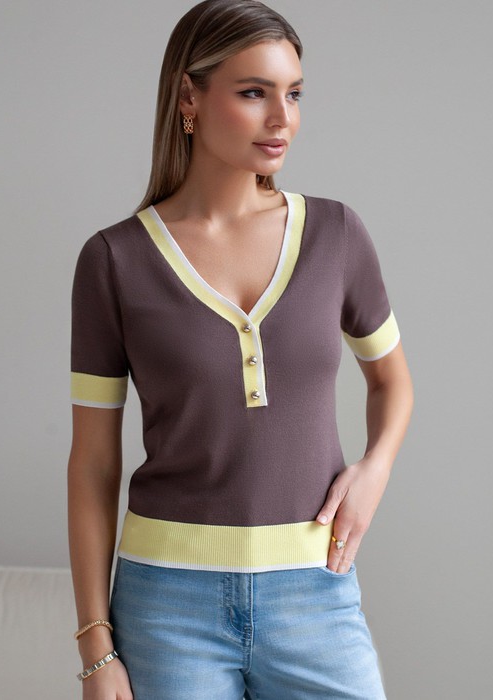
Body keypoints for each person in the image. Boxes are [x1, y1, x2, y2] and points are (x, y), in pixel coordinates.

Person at [67, 1, 414, 698]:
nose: (282, 119)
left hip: (315, 592)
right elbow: (94, 463)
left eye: (294, 94)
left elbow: (392, 382)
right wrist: (96, 646)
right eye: (254, 92)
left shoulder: (335, 235)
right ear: (188, 98)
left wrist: (374, 469)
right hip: (167, 604)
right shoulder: (114, 261)